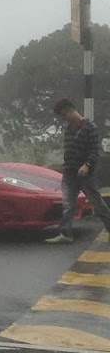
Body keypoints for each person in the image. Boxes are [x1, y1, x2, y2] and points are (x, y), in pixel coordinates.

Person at [44, 98, 110, 244]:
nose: (64, 118)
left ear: (70, 110)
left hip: (86, 173)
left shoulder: (90, 127)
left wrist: (87, 165)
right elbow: (68, 150)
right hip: (69, 172)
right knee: (68, 203)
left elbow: (95, 150)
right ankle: (65, 233)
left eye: (64, 114)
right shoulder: (68, 129)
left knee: (97, 202)